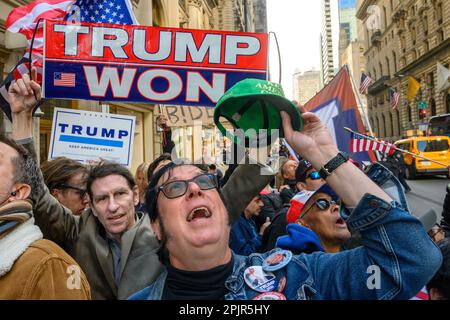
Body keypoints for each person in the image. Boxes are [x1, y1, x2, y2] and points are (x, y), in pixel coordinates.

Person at [129, 104, 442, 300]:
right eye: (175, 187)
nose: (195, 190)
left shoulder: (300, 277)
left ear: (224, 210)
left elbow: (412, 260)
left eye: (203, 181)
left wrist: (323, 155)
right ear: (156, 225)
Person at [9, 71, 273, 299]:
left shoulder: (167, 227)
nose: (113, 206)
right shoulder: (76, 231)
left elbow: (239, 189)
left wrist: (269, 126)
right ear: (90, 203)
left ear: (136, 195)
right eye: (102, 199)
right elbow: (38, 193)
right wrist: (21, 119)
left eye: (120, 194)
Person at [0, 134, 91, 299]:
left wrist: (23, 118)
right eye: (82, 193)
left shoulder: (51, 266)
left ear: (18, 192)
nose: (88, 200)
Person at [282, 185, 351, 253]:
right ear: (301, 224)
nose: (337, 207)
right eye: (323, 203)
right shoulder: (297, 261)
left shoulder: (354, 254)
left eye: (337, 203)